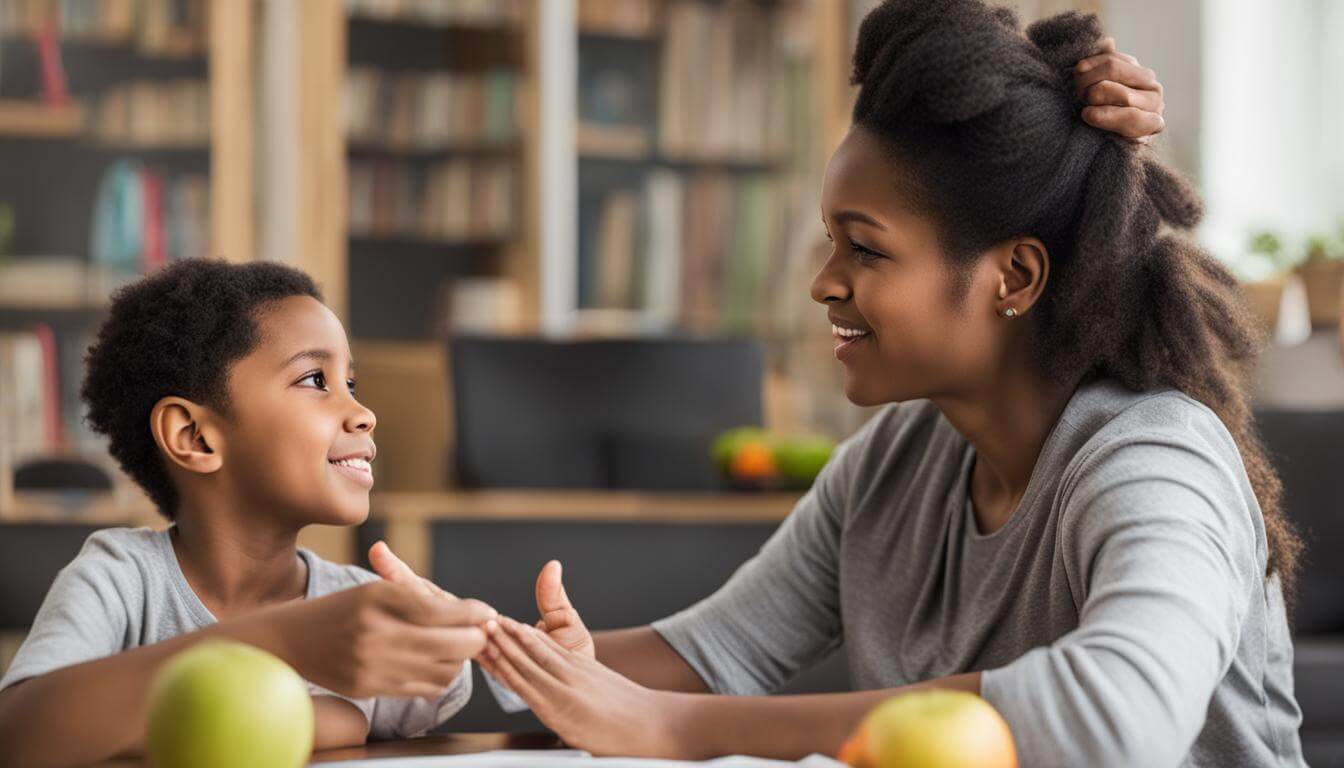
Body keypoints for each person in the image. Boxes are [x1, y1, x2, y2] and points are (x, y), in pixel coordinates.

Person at [464, 3, 1306, 765]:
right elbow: (710, 653)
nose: (824, 282)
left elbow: (1115, 720)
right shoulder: (900, 459)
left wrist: (671, 728)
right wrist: (435, 650)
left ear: (1013, 275)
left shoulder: (1154, 459)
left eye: (864, 249)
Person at [0, 260, 496, 767]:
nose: (363, 413)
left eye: (352, 384)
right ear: (194, 436)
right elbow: (18, 734)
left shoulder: (360, 611)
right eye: (314, 379)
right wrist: (286, 641)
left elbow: (508, 675)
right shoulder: (122, 579)